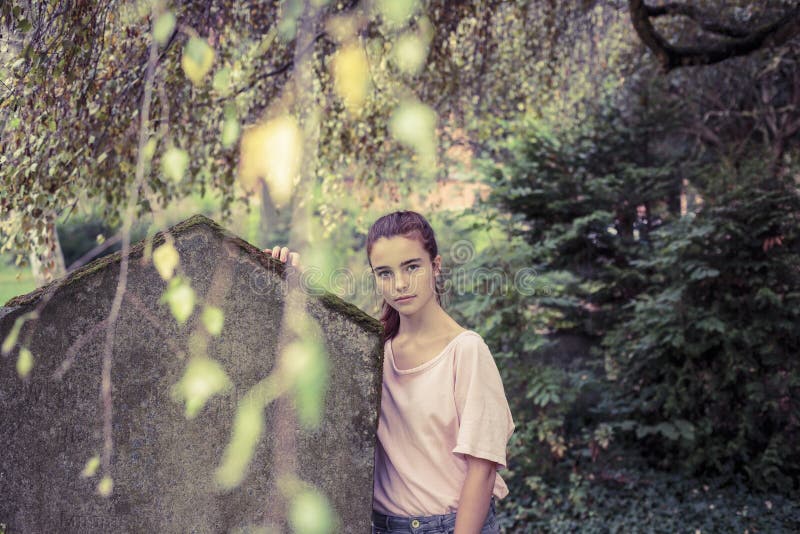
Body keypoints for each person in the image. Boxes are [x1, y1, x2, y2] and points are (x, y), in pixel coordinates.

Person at [264, 210, 515, 534]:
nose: (399, 284)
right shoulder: (375, 351)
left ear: (435, 266)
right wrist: (291, 281)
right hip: (381, 527)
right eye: (385, 273)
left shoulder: (466, 351)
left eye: (412, 267)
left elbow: (482, 471)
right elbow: (315, 362)